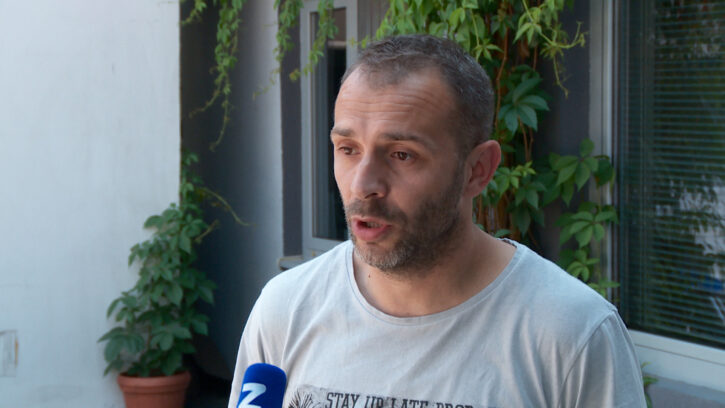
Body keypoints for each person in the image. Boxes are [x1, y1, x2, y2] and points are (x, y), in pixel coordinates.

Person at [229, 34, 646, 408]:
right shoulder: (285, 310)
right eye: (348, 149)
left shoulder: (572, 334)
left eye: (402, 155)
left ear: (478, 170)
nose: (363, 185)